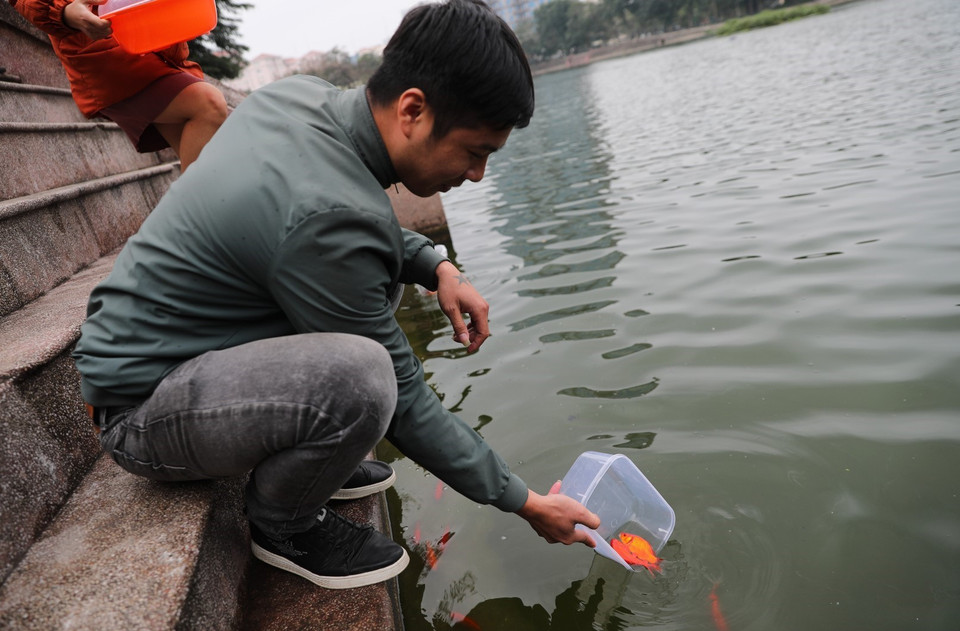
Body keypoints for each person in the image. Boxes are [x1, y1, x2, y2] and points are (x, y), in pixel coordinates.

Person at [72, 0, 600, 590]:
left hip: (167, 359)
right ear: (413, 110)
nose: (476, 174)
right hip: (143, 414)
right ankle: (283, 522)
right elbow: (404, 399)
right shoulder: (329, 214)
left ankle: (309, 458)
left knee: (373, 300)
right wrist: (524, 501)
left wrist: (435, 265)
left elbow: (340, 223)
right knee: (365, 375)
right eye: (476, 152)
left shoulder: (300, 99)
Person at [10, 0, 227, 171]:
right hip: (107, 57)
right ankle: (191, 219)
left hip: (152, 46)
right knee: (207, 104)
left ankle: (201, 218)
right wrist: (64, 13)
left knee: (205, 165)